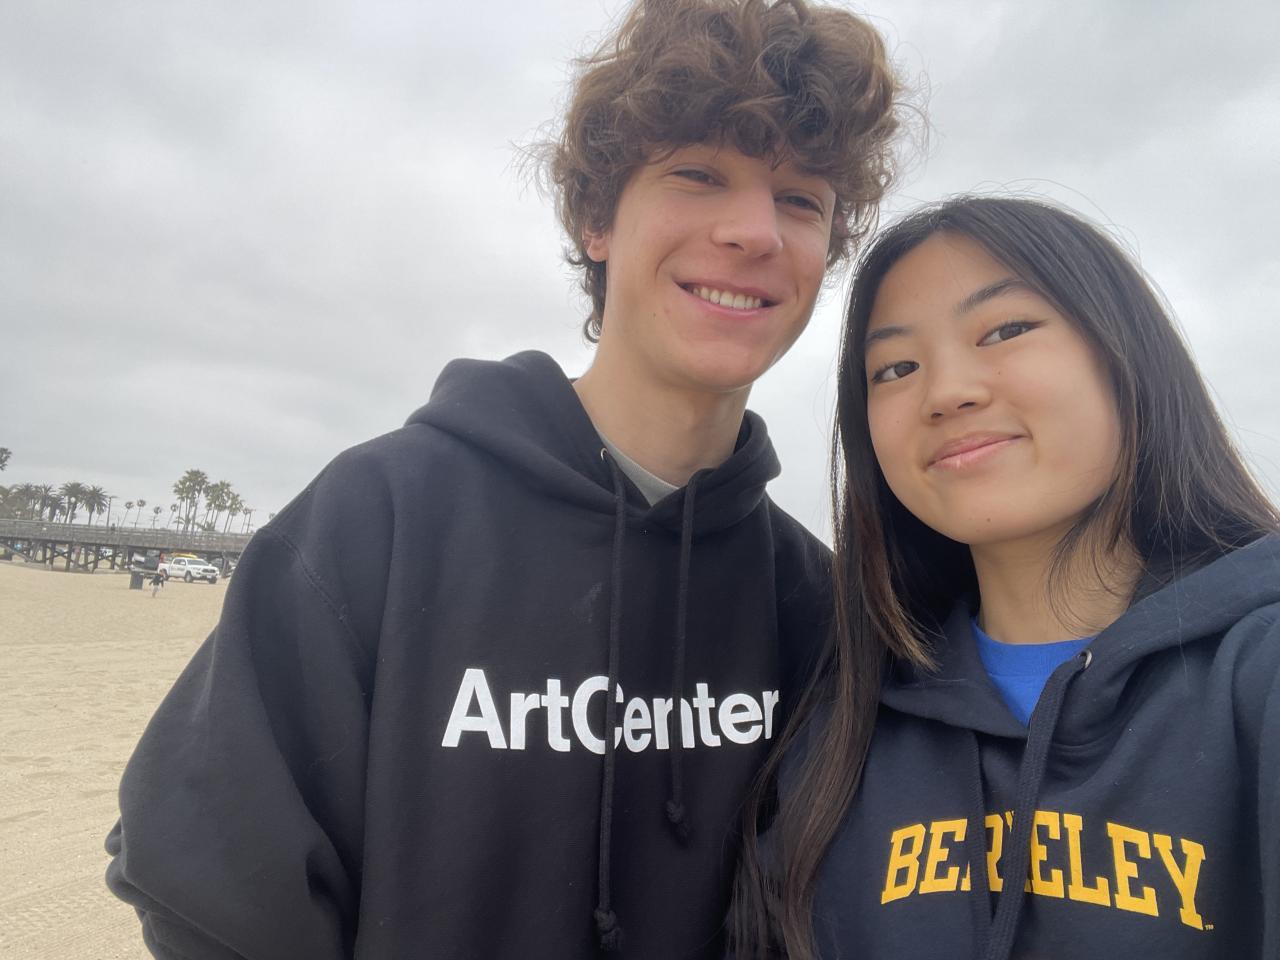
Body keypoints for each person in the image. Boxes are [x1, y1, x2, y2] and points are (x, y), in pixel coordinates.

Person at [104, 1, 906, 957]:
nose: (753, 231)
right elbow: (210, 887)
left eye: (801, 199)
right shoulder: (381, 520)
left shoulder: (814, 603)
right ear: (596, 218)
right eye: (699, 175)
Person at [731, 196, 1280, 959]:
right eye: (895, 368)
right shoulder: (837, 732)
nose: (947, 392)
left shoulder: (1256, 672)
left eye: (1006, 330)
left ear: (1126, 354)